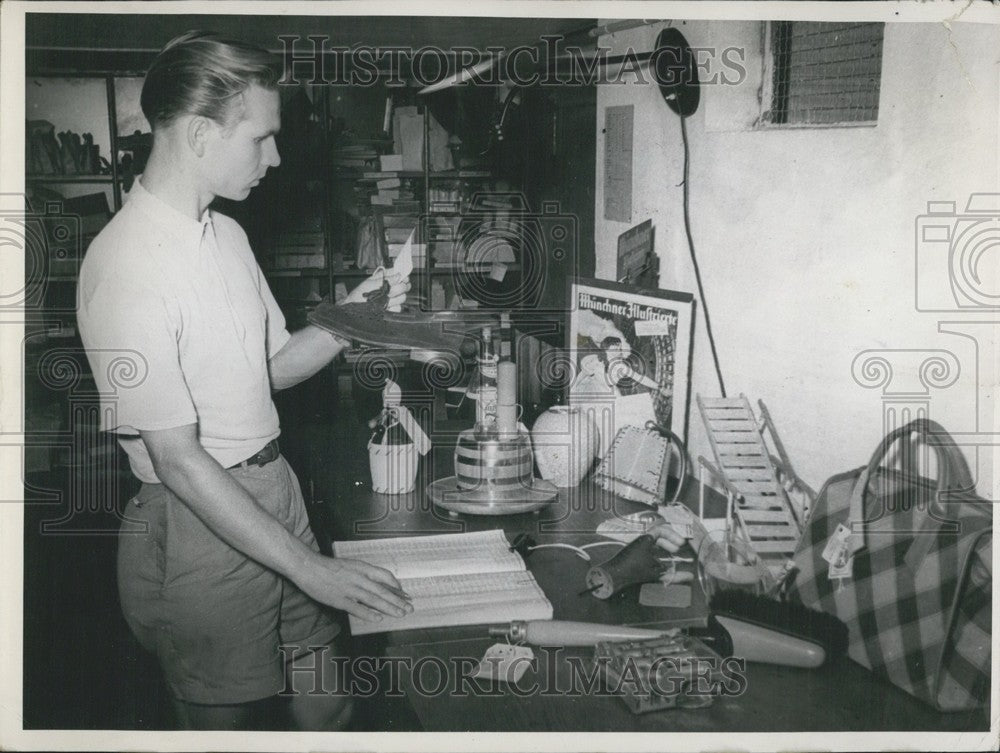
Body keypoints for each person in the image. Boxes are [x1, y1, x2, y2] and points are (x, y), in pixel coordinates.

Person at [77, 31, 412, 731]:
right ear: (201, 134)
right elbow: (178, 458)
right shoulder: (126, 265)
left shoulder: (226, 236)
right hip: (198, 515)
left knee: (328, 702)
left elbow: (268, 370)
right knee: (224, 725)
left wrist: (355, 317)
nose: (276, 157)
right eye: (261, 138)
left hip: (274, 487)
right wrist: (310, 568)